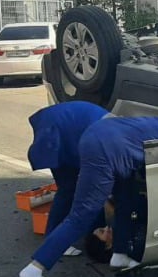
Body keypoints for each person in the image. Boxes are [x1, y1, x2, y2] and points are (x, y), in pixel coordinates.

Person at [18, 116, 158, 277]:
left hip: (106, 139)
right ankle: (34, 270)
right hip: (104, 149)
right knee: (81, 216)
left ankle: (119, 255)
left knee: (126, 198)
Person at [27, 101, 110, 256]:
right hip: (58, 128)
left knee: (83, 188)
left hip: (68, 122)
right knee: (68, 188)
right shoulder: (105, 144)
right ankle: (54, 239)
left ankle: (70, 232)